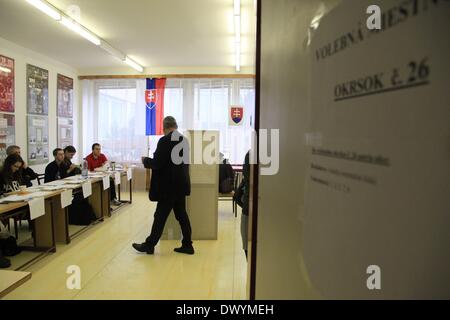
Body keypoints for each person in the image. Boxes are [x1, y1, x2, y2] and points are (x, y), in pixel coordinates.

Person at [132, 116, 194, 255]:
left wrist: (146, 160)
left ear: (164, 127)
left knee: (160, 216)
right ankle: (188, 244)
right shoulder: (184, 140)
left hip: (168, 187)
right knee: (182, 215)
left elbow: (158, 163)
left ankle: (149, 245)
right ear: (175, 126)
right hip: (181, 185)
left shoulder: (165, 140)